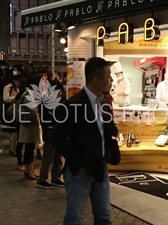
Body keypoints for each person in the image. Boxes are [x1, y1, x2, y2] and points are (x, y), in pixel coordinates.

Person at [51, 57, 118, 225]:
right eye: (108, 76)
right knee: (74, 219)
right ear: (96, 80)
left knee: (104, 218)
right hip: (79, 173)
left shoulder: (103, 102)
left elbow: (104, 132)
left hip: (100, 168)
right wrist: (78, 163)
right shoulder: (73, 104)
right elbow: (56, 137)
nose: (111, 80)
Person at [36, 80, 65, 189]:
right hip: (49, 132)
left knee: (58, 156)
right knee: (48, 156)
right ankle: (42, 179)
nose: (60, 94)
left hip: (58, 132)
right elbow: (46, 117)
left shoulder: (57, 100)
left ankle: (55, 177)